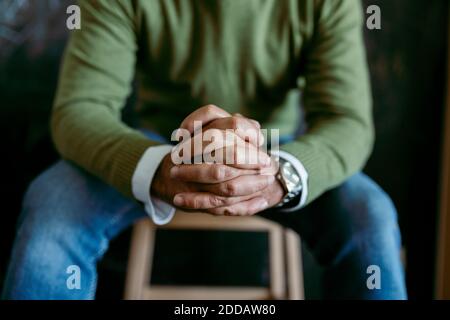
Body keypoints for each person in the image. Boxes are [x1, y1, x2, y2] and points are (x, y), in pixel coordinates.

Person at [2, 0, 407, 299]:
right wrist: (158, 168)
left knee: (370, 216)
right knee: (52, 211)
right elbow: (79, 109)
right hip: (160, 143)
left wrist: (282, 172)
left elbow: (347, 121)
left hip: (276, 147)